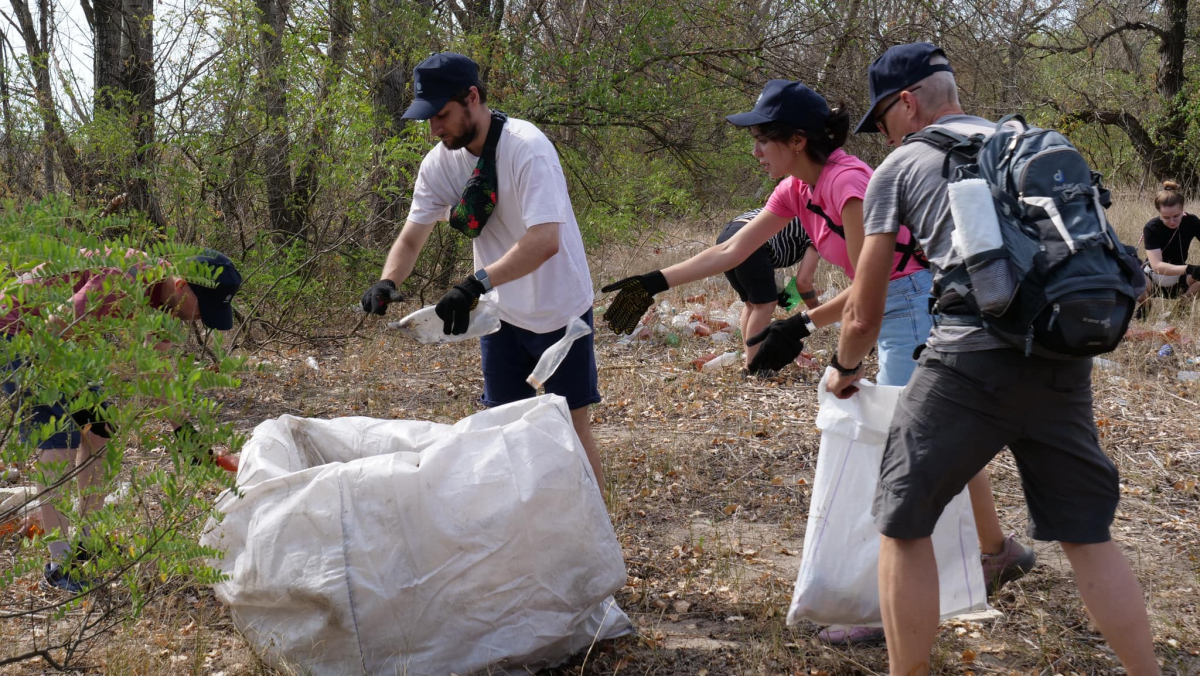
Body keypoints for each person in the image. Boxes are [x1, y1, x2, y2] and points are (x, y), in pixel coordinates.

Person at [600, 80, 1033, 645]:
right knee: (935, 436)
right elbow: (731, 251)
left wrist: (801, 325)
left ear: (797, 139)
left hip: (909, 307)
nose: (754, 151)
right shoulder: (795, 190)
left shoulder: (848, 183)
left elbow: (870, 287)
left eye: (761, 139)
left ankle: (884, 606)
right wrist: (653, 282)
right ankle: (1000, 551)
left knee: (902, 455)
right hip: (893, 308)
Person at [828, 42, 1158, 675]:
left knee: (903, 521)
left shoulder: (899, 167)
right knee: (1088, 536)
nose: (881, 135)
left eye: (883, 120)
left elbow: (863, 312)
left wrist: (845, 369)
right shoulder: (1025, 143)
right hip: (1060, 356)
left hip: (966, 367)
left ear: (906, 103)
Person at [360, 53, 603, 486]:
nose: (435, 128)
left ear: (472, 98)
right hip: (500, 316)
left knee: (570, 428)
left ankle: (595, 536)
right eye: (427, 119)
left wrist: (474, 283)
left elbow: (546, 240)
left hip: (559, 310)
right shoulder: (440, 163)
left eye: (441, 115)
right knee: (506, 432)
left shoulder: (527, 149)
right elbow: (412, 235)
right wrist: (388, 279)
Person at [1, 248, 243, 593]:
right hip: (18, 330)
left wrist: (186, 434)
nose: (199, 318)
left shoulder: (165, 304)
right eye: (202, 308)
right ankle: (59, 564)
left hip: (59, 341)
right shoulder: (123, 279)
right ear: (182, 285)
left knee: (102, 428)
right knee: (60, 440)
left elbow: (157, 374)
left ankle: (86, 544)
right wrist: (56, 388)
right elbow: (56, 322)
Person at [714, 207, 821, 368]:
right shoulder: (820, 229)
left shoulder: (806, 214)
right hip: (750, 237)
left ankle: (750, 358)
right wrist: (818, 313)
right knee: (763, 305)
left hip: (728, 234)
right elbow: (803, 282)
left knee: (752, 304)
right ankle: (754, 366)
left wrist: (782, 298)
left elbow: (795, 282)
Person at [1142, 180, 1200, 300]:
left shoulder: (1191, 222)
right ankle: (1144, 310)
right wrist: (1189, 269)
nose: (1172, 221)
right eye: (1166, 217)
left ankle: (1182, 308)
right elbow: (1157, 265)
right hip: (1152, 277)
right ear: (1159, 212)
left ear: (1183, 210)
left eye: (1176, 216)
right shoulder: (1151, 227)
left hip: (1180, 278)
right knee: (1131, 278)